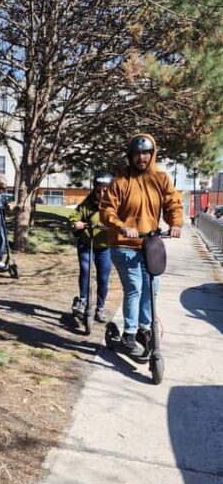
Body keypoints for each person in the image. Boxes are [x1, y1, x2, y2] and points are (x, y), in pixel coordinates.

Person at [100, 133, 183, 355]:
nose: (141, 157)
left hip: (149, 243)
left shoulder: (161, 178)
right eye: (137, 153)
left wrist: (175, 223)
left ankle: (144, 330)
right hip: (124, 244)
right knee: (134, 287)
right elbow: (107, 210)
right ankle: (129, 333)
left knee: (152, 287)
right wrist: (121, 226)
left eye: (146, 153)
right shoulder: (120, 182)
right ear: (130, 156)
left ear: (152, 154)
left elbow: (173, 204)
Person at [69, 172, 113, 323]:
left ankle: (100, 308)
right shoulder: (86, 204)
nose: (102, 194)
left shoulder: (115, 205)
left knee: (103, 278)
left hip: (105, 248)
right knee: (85, 270)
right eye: (99, 191)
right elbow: (73, 217)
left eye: (105, 191)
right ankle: (82, 300)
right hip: (86, 244)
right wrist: (76, 223)